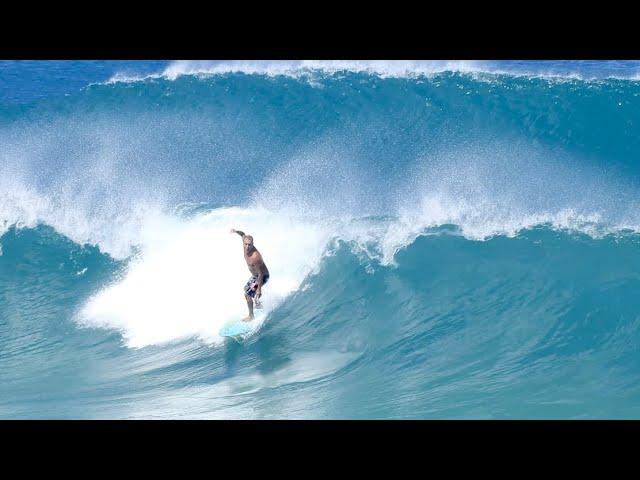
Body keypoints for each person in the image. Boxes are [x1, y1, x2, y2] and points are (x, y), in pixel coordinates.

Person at [230, 229, 270, 321]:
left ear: (253, 244)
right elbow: (243, 234)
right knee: (246, 290)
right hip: (255, 276)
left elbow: (260, 274)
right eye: (246, 244)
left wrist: (259, 289)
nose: (247, 247)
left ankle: (251, 316)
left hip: (262, 276)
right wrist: (236, 231)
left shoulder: (255, 257)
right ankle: (258, 303)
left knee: (248, 294)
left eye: (250, 245)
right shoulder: (245, 243)